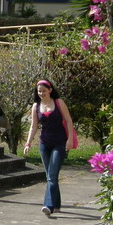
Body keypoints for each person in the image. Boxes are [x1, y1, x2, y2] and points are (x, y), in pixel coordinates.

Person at [23, 79, 75, 217]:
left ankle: (48, 205)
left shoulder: (59, 102)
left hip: (60, 143)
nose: (41, 93)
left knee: (51, 175)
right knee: (50, 176)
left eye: (44, 91)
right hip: (44, 144)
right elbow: (33, 126)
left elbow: (69, 120)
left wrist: (69, 139)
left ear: (50, 90)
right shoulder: (36, 106)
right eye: (39, 91)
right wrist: (28, 143)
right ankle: (57, 205)